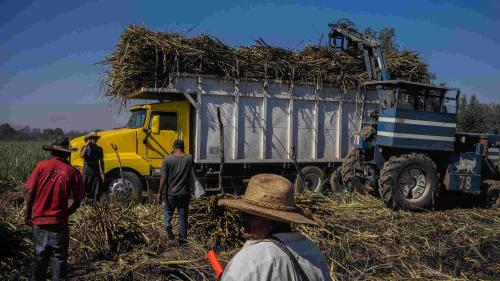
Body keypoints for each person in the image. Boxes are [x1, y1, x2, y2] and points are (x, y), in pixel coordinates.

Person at [218, 174, 332, 281]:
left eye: (249, 216)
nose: (242, 220)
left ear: (272, 221)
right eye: (242, 214)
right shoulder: (312, 249)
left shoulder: (251, 260)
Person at [25, 136, 85, 281]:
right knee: (59, 258)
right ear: (67, 153)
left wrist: (28, 215)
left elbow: (30, 193)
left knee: (39, 256)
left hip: (39, 220)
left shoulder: (41, 166)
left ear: (53, 152)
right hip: (59, 222)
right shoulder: (73, 172)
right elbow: (78, 200)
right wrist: (66, 214)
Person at [157, 139, 193, 245]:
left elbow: (163, 176)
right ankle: (182, 242)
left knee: (168, 212)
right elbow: (192, 174)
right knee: (182, 218)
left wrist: (159, 193)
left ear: (174, 147)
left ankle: (168, 227)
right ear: (183, 147)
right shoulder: (189, 158)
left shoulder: (168, 159)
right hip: (184, 193)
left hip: (171, 193)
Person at [80, 131, 105, 202]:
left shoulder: (99, 149)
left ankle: (95, 205)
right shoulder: (84, 148)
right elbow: (82, 156)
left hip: (96, 173)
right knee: (83, 191)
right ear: (89, 139)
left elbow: (102, 161)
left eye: (95, 138)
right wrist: (87, 145)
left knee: (96, 192)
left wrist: (103, 173)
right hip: (86, 173)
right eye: (92, 138)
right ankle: (83, 205)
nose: (94, 140)